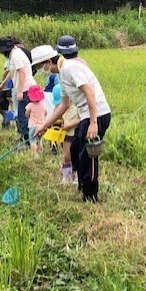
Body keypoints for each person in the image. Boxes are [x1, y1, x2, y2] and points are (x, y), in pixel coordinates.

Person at [33, 36, 111, 203]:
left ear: (48, 61)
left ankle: (90, 197)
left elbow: (89, 92)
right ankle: (82, 187)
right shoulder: (62, 73)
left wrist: (93, 123)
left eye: (41, 67)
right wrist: (45, 126)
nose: (43, 71)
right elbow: (63, 104)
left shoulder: (69, 68)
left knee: (87, 155)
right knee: (75, 149)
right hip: (86, 115)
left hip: (97, 113)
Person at [0, 36, 36, 144]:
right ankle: (25, 139)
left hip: (26, 88)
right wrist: (3, 84)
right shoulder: (13, 54)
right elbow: (13, 72)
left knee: (22, 117)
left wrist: (20, 91)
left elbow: (22, 72)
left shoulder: (16, 55)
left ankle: (28, 142)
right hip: (22, 87)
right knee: (21, 116)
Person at [25, 85, 47, 158]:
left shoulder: (30, 105)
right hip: (42, 125)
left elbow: (27, 114)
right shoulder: (43, 105)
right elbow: (45, 113)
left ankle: (35, 155)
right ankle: (41, 151)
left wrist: (28, 115)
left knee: (32, 140)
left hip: (32, 125)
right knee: (40, 139)